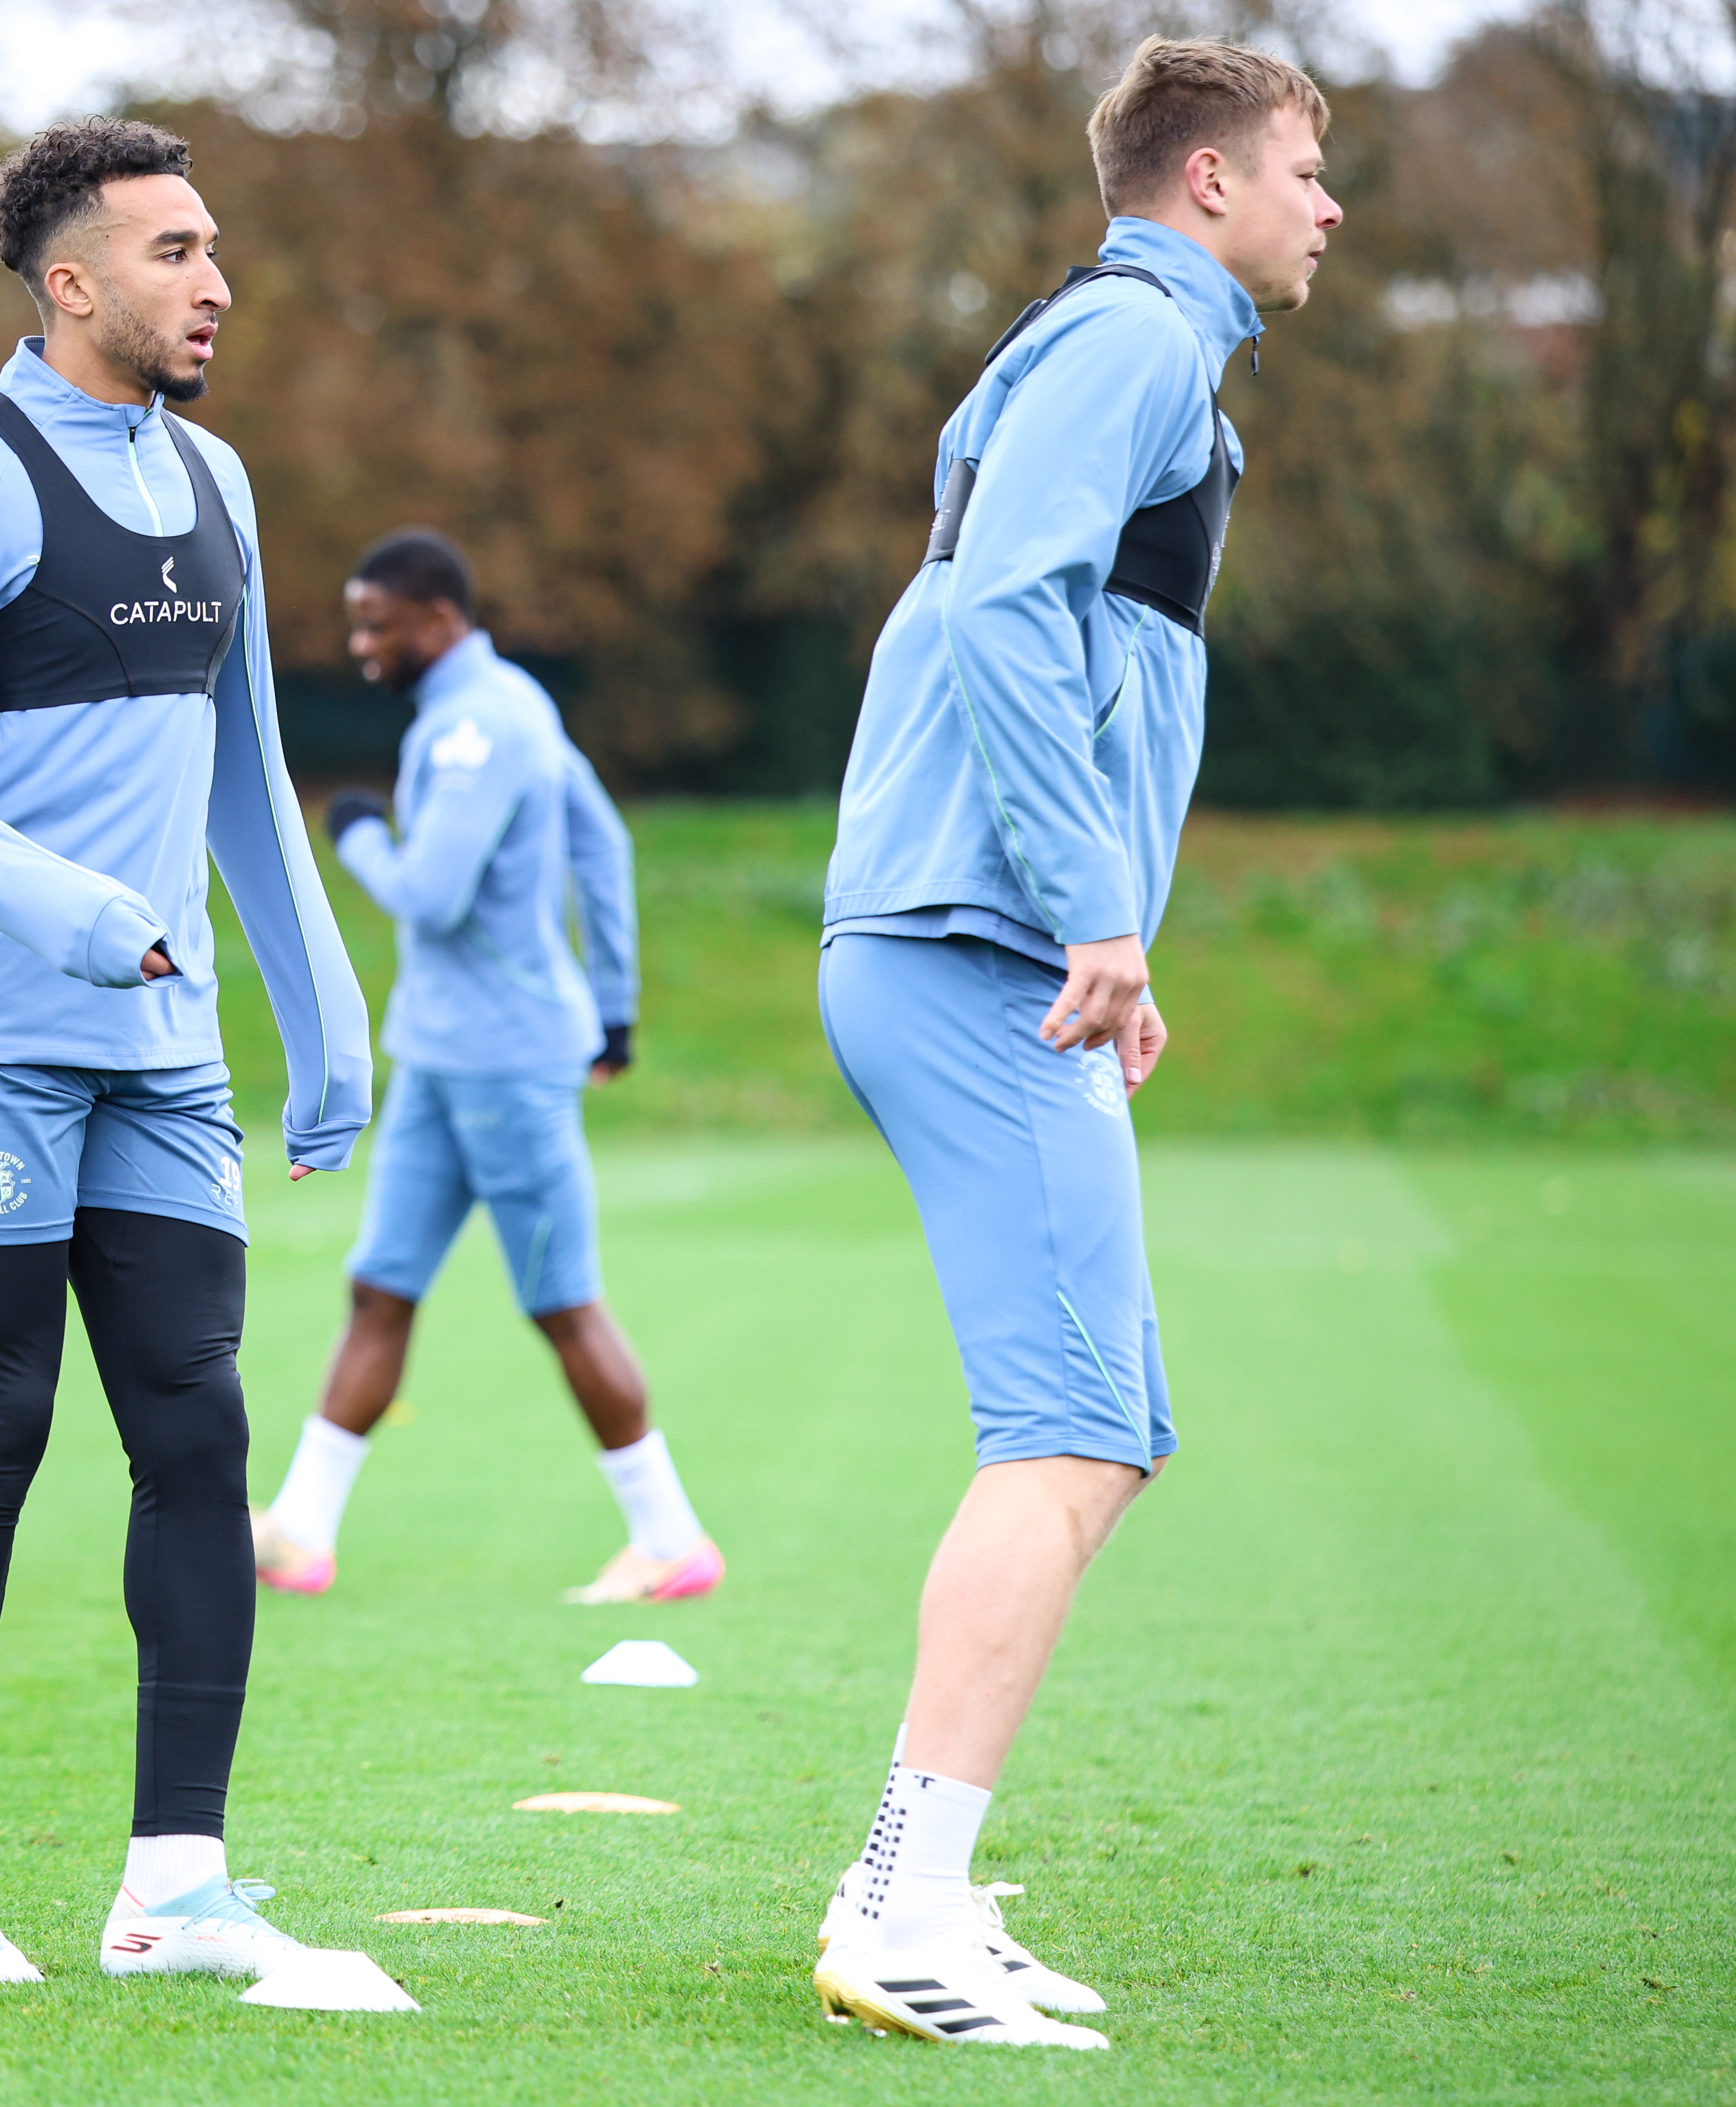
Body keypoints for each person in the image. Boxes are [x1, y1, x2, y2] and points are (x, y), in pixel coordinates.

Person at [806, 39, 1340, 2048]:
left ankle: (911, 1877)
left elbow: (1049, 638)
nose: (1326, 207)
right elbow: (1004, 613)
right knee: (1066, 1437)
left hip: (992, 934)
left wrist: (1108, 930)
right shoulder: (1128, 340)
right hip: (973, 938)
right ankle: (901, 1910)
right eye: (1304, 170)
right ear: (1202, 178)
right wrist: (1087, 908)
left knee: (1096, 1434)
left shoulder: (1122, 346)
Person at [0, 117, 373, 1985]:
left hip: (160, 1054)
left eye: (214, 249)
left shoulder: (214, 482)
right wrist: (59, 909)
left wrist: (320, 1015)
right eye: (172, 250)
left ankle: (172, 1887)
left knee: (198, 1430)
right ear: (69, 283)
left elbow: (243, 773)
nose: (213, 282)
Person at [254, 529, 716, 1603]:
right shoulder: (520, 704)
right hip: (443, 1054)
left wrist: (358, 831)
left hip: (502, 1064)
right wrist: (613, 1010)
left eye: (378, 623)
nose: (362, 644)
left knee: (562, 1302)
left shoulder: (473, 727)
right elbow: (604, 843)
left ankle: (672, 1536)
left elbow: (431, 892)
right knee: (380, 1287)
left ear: (440, 620)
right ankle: (303, 1532)